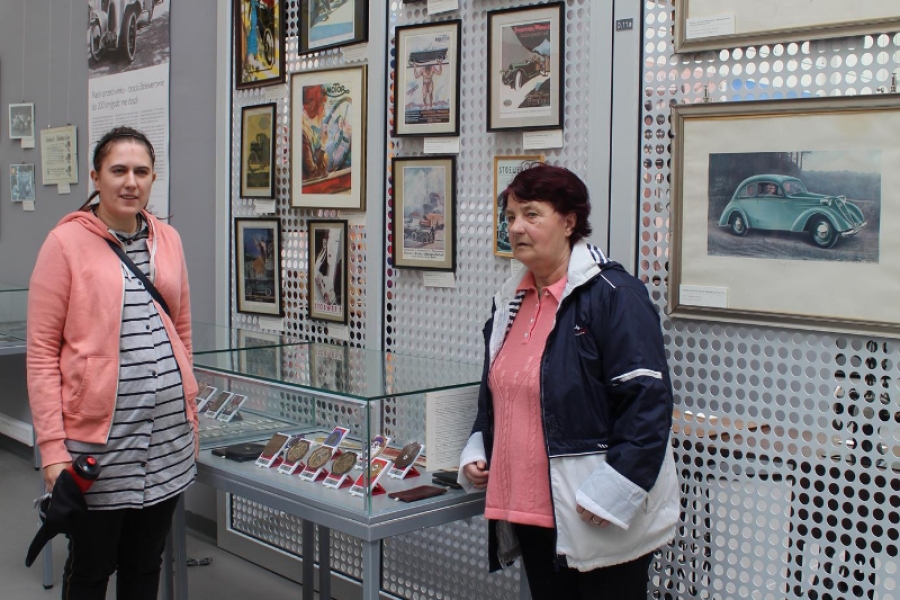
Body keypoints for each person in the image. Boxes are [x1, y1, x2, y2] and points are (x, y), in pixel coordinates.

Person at [457, 164, 679, 600]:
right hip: (534, 512)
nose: (516, 227)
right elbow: (499, 391)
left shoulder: (615, 295)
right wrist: (479, 446)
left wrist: (613, 492)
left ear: (569, 221)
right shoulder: (510, 300)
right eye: (510, 216)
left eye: (531, 214)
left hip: (595, 513)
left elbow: (647, 406)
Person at [27, 126, 198, 600]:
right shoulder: (64, 245)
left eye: (141, 171)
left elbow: (181, 331)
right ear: (95, 177)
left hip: (165, 441)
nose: (130, 182)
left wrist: (190, 411)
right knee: (91, 568)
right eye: (118, 170)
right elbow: (41, 354)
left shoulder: (170, 240)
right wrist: (53, 452)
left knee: (145, 565)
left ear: (153, 178)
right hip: (98, 448)